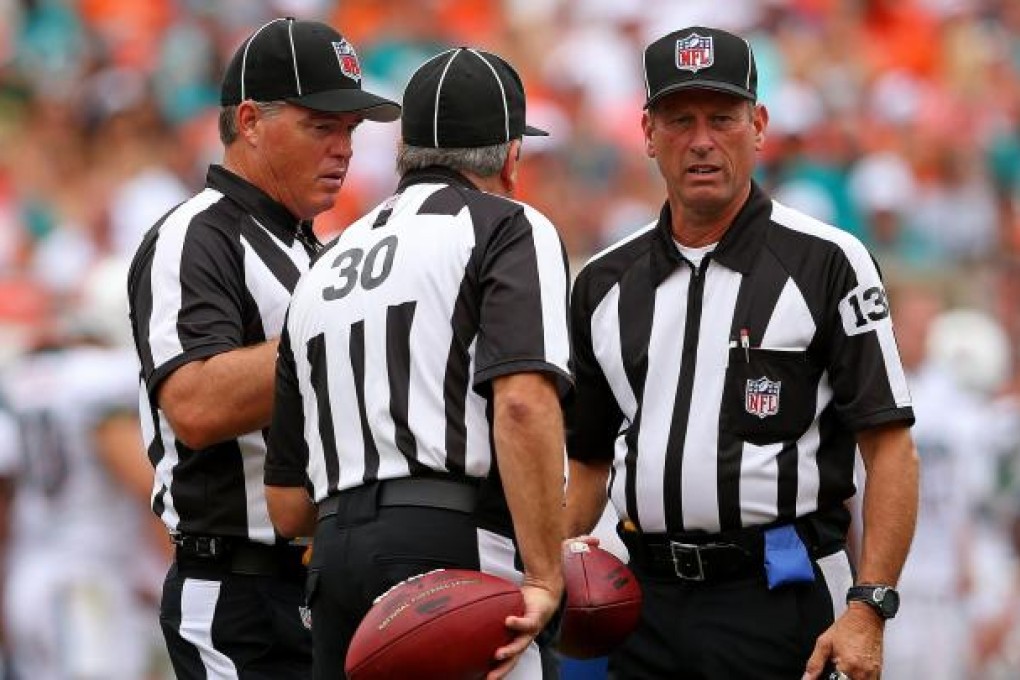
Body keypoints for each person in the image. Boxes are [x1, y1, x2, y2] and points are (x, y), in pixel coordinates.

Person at [564, 26, 920, 680]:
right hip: (644, 602)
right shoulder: (602, 282)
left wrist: (870, 605)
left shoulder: (828, 261)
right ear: (647, 133)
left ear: (758, 127)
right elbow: (587, 458)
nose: (701, 140)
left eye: (722, 118)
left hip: (777, 595)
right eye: (680, 120)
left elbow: (890, 446)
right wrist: (539, 575)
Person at [263, 47, 571, 680]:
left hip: (335, 562)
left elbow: (288, 506)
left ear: (407, 152)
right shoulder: (509, 226)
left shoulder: (326, 260)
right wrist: (545, 573)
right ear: (510, 157)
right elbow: (521, 402)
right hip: (451, 548)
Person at [126, 17, 399, 679]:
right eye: (320, 126)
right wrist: (338, 339)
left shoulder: (318, 250)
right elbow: (195, 404)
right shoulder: (196, 236)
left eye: (350, 130)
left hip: (322, 583)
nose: (344, 150)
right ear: (249, 121)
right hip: (237, 588)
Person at [0, 258, 170, 680]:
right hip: (85, 579)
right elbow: (150, 487)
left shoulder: (27, 375)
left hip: (33, 572)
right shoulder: (104, 379)